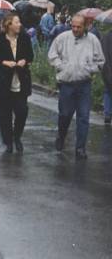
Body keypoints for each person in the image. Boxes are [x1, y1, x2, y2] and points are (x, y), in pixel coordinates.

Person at [48, 15, 105, 159]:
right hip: (66, 84)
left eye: (79, 27)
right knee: (65, 115)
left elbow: (100, 61)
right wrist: (61, 66)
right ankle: (61, 136)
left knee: (83, 117)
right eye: (73, 26)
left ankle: (80, 148)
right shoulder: (62, 38)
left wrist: (89, 69)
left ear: (85, 26)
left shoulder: (92, 40)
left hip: (84, 84)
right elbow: (52, 55)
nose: (75, 29)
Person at [0, 14, 34, 153]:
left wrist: (24, 61)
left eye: (19, 22)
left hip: (21, 80)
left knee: (22, 111)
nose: (19, 24)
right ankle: (8, 141)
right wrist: (4, 62)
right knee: (4, 114)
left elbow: (30, 56)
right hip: (3, 81)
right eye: (16, 22)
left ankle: (17, 136)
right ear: (9, 25)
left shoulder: (25, 38)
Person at [101, 28, 112, 125]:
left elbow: (103, 54)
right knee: (108, 91)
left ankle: (108, 114)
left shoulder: (105, 37)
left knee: (108, 91)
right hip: (108, 68)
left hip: (107, 69)